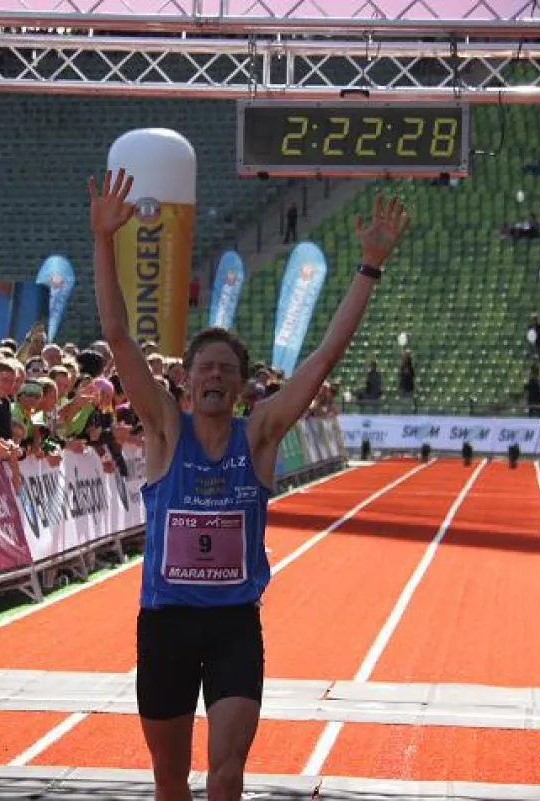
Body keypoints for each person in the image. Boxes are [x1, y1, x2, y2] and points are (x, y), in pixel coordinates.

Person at [88, 168, 408, 801]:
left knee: (227, 771)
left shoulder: (258, 433)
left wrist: (368, 267)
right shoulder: (163, 430)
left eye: (225, 370)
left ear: (239, 385)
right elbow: (119, 337)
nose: (213, 376)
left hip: (235, 624)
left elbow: (322, 359)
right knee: (169, 778)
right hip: (165, 624)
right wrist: (102, 239)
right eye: (203, 367)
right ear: (184, 382)